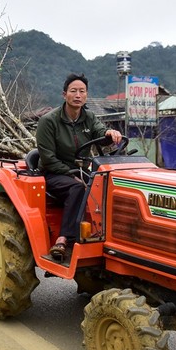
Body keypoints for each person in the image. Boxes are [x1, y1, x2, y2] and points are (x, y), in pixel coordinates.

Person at [36, 73, 122, 261]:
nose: (78, 95)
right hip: (54, 172)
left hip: (82, 170)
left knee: (110, 186)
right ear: (64, 94)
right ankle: (64, 238)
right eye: (73, 91)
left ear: (86, 95)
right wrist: (71, 173)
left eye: (82, 91)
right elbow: (48, 158)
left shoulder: (88, 117)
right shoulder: (49, 121)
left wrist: (110, 132)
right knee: (77, 187)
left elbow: (100, 131)